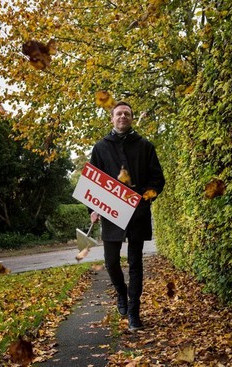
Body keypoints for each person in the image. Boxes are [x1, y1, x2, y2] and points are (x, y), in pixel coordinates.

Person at [89, 101, 165, 332]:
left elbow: (158, 181)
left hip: (138, 213)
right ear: (112, 118)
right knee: (111, 262)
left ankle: (134, 311)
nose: (123, 116)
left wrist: (144, 199)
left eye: (127, 114)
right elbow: (94, 182)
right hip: (112, 213)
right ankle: (121, 293)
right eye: (119, 113)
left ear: (131, 118)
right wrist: (93, 208)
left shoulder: (145, 146)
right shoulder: (101, 147)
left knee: (135, 264)